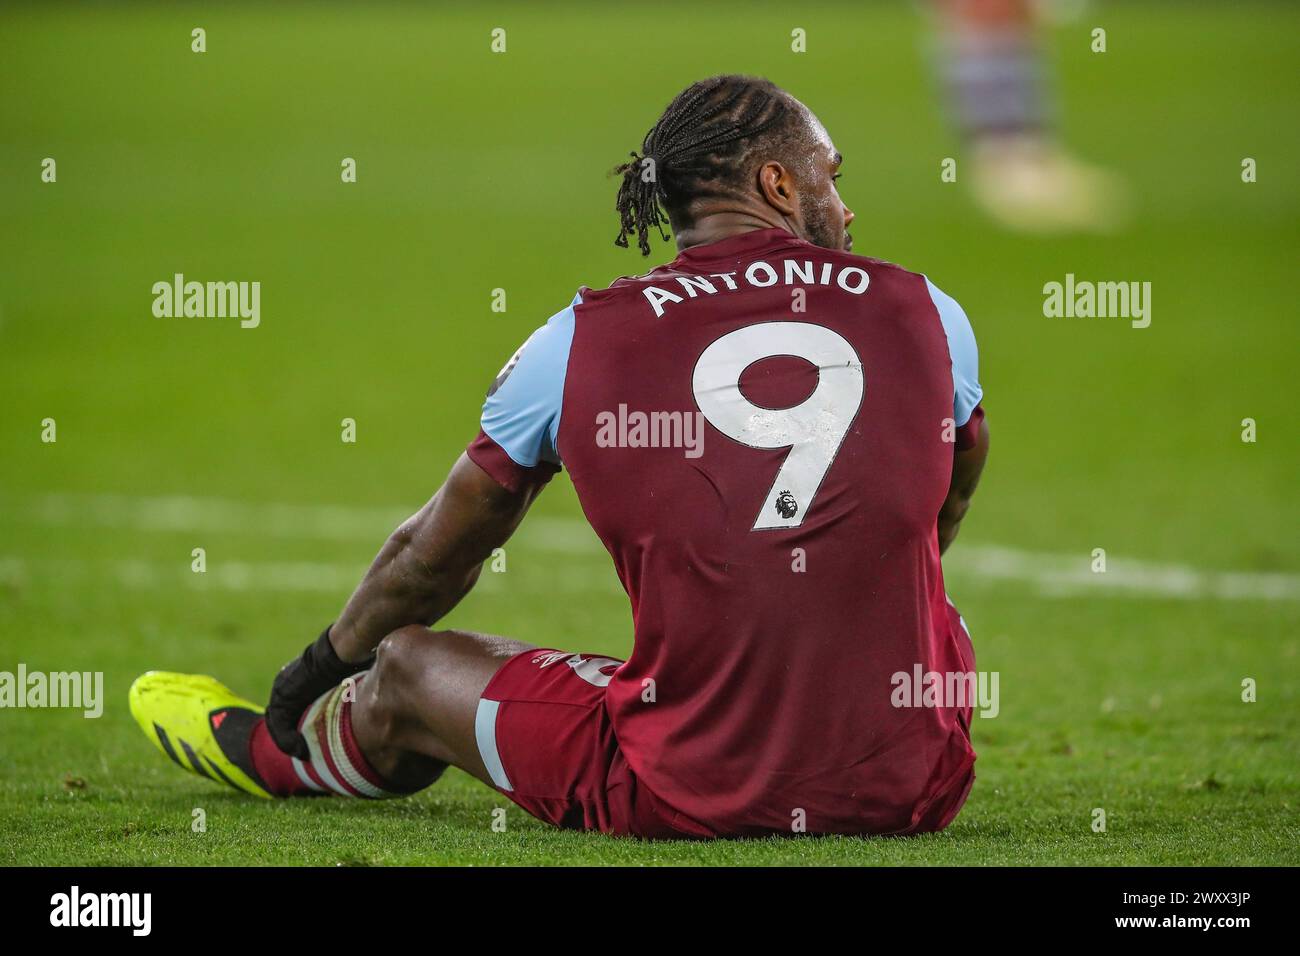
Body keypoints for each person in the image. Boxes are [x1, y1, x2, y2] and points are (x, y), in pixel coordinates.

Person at [131, 74, 990, 838]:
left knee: (407, 665)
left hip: (694, 793)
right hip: (917, 783)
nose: (844, 208)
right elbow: (941, 509)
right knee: (919, 616)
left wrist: (316, 668)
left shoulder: (577, 344)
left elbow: (433, 557)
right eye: (831, 179)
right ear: (777, 183)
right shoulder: (929, 311)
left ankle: (277, 754)